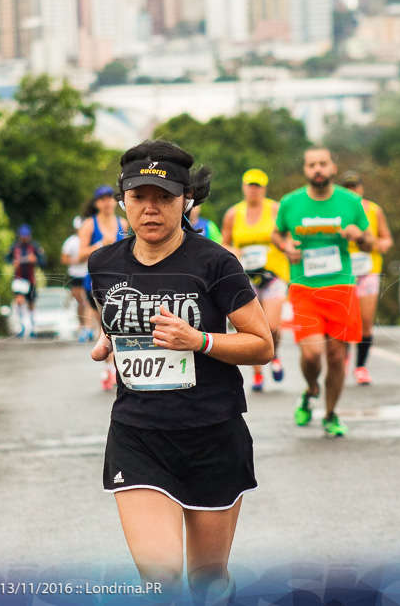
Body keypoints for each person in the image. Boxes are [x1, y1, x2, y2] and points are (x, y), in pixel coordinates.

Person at [88, 140, 273, 603]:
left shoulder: (216, 263)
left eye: (164, 197)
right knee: (162, 581)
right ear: (122, 199)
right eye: (139, 196)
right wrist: (108, 340)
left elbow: (262, 345)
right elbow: (117, 323)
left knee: (206, 582)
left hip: (212, 434)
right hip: (139, 436)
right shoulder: (104, 264)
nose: (151, 209)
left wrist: (201, 340)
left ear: (186, 200)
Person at [272, 149, 374, 437]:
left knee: (337, 355)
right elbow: (276, 233)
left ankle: (330, 414)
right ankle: (311, 388)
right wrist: (286, 247)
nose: (318, 169)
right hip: (304, 287)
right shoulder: (291, 203)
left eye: (323, 164)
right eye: (312, 164)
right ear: (305, 170)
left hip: (341, 287)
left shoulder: (351, 202)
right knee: (313, 354)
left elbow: (370, 243)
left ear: (332, 168)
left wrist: (360, 236)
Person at [221, 168, 290, 392]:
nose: (253, 191)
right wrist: (234, 252)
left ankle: (274, 354)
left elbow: (287, 237)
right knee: (250, 328)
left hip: (273, 274)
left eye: (258, 186)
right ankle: (258, 373)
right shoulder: (233, 214)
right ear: (243, 187)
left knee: (271, 326)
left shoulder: (276, 210)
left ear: (264, 189)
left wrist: (285, 246)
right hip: (246, 278)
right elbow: (224, 244)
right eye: (250, 186)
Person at [340, 171, 393, 385]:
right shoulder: (337, 211)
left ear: (361, 188)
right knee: (343, 321)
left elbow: (386, 238)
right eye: (347, 188)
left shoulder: (374, 210)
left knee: (366, 320)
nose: (352, 191)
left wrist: (382, 244)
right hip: (343, 271)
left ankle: (361, 367)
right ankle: (342, 360)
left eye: (355, 187)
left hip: (368, 271)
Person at [80, 185, 130, 388]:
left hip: (120, 281)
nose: (108, 203)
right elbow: (80, 254)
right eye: (103, 199)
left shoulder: (123, 222)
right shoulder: (89, 225)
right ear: (97, 203)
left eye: (111, 198)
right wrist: (100, 244)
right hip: (96, 282)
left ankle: (116, 369)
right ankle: (110, 369)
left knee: (120, 326)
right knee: (106, 327)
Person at [60, 216, 94, 343]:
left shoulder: (91, 240)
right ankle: (83, 327)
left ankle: (88, 328)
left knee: (87, 301)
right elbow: (64, 259)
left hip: (88, 273)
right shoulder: (71, 242)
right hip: (75, 275)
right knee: (81, 302)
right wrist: (78, 260)